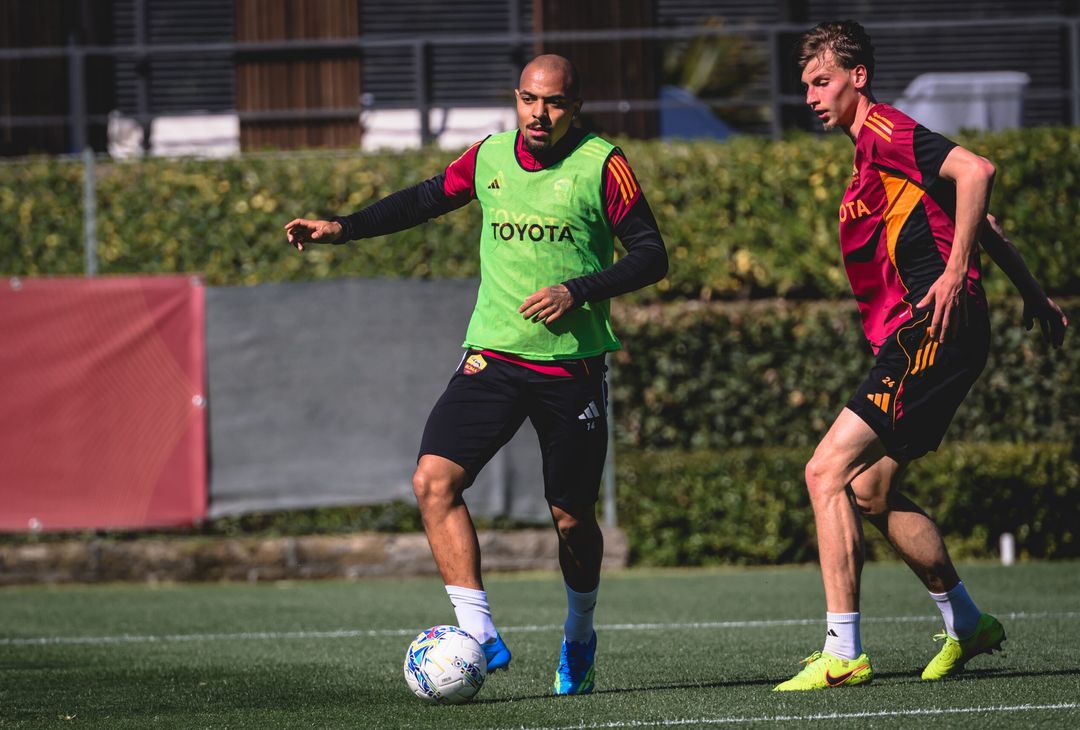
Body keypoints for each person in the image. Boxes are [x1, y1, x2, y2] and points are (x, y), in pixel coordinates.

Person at [284, 54, 668, 696]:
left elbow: (652, 256)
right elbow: (423, 200)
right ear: (515, 100)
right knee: (433, 482)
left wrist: (578, 290)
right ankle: (481, 634)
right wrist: (342, 228)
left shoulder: (604, 164)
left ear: (575, 107)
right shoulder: (489, 156)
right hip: (491, 355)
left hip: (569, 369)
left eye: (552, 103)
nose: (538, 114)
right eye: (527, 99)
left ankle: (579, 634)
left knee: (572, 519)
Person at [775, 21, 1068, 691]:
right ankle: (968, 625)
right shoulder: (869, 155)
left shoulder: (883, 130)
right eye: (806, 86)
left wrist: (956, 269)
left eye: (823, 82)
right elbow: (984, 219)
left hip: (930, 330)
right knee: (870, 491)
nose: (812, 96)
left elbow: (976, 171)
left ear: (858, 77)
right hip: (933, 333)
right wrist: (1035, 296)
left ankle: (842, 654)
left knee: (824, 472)